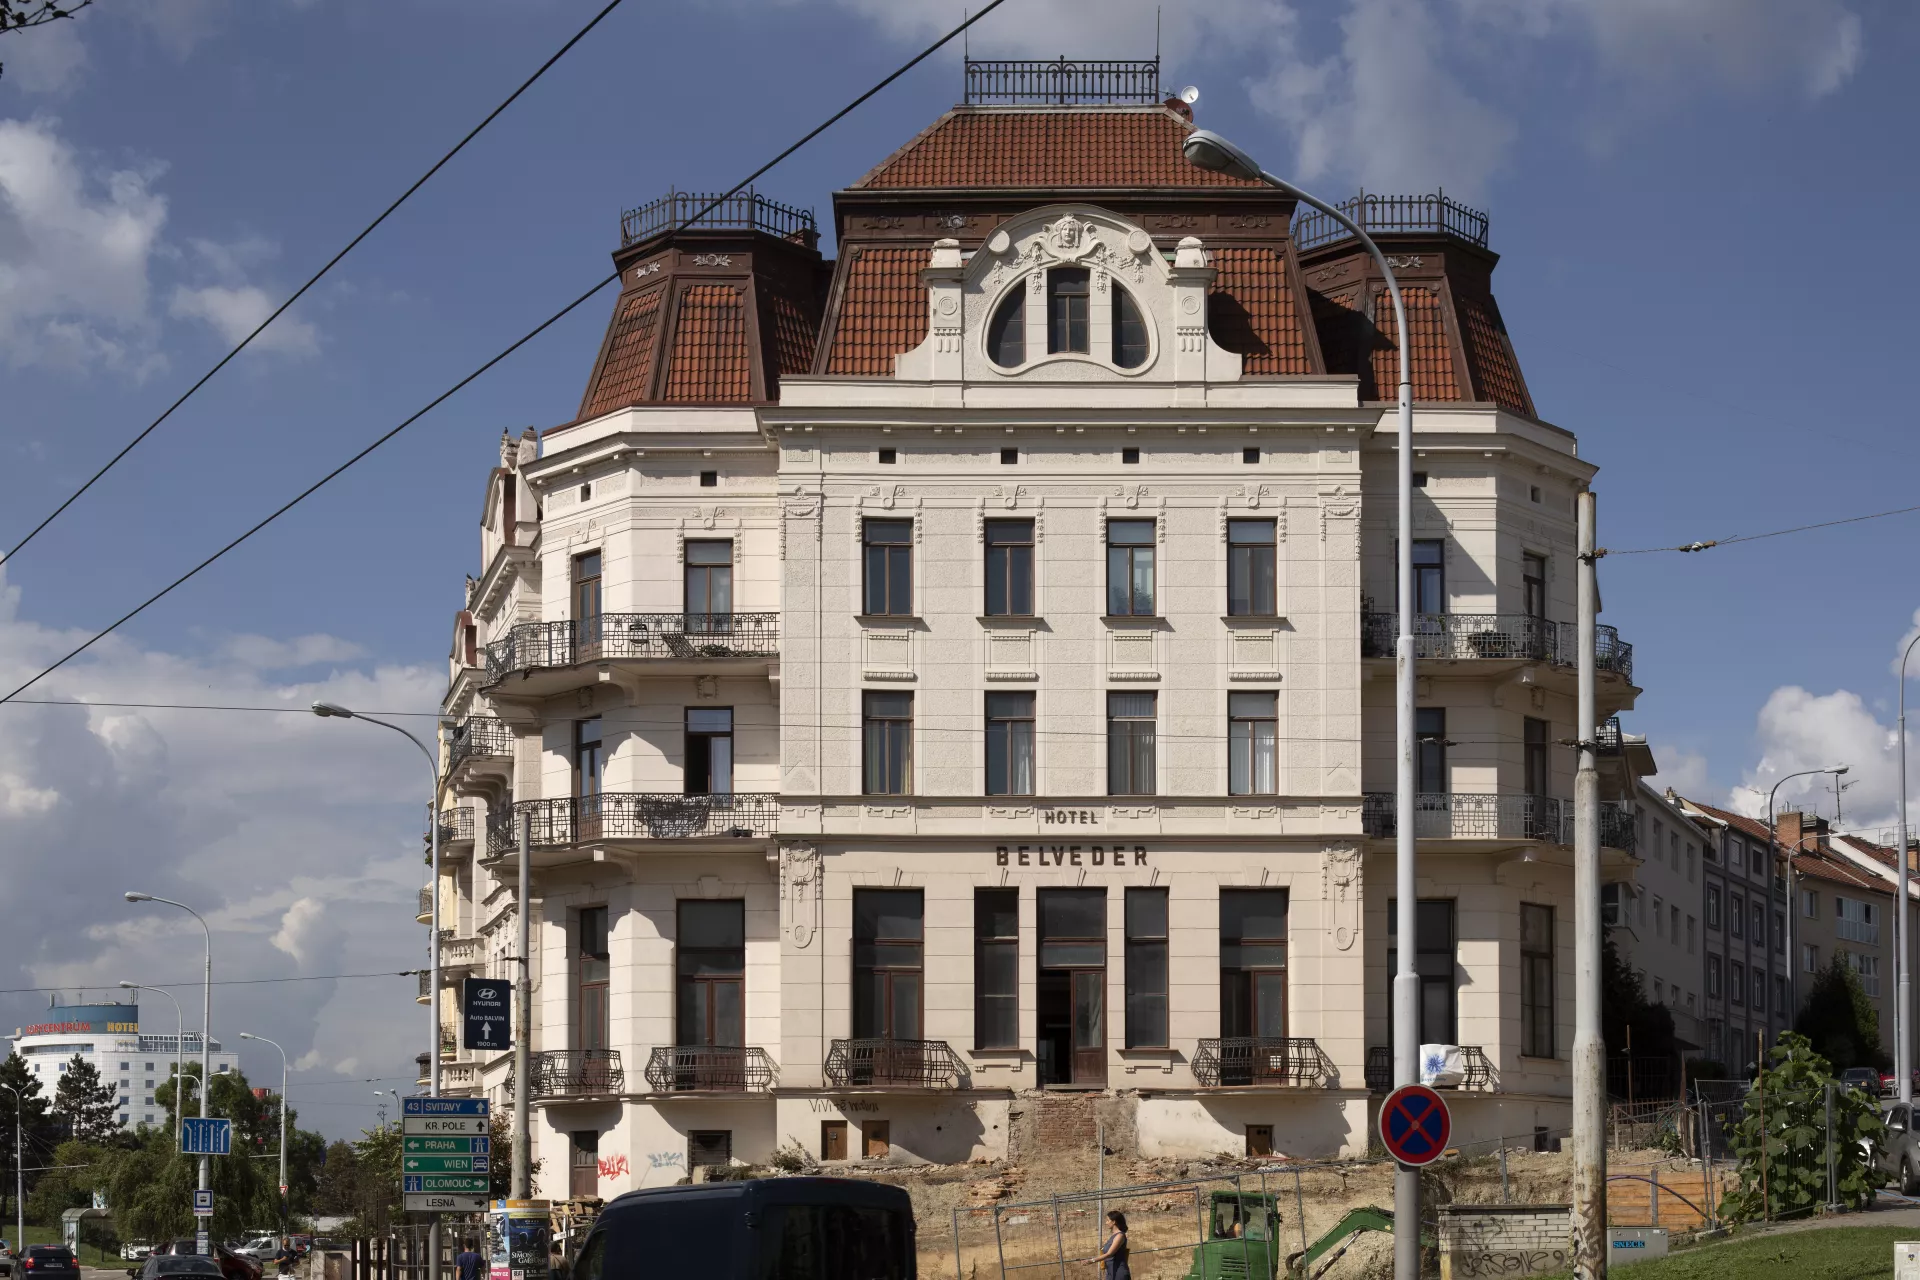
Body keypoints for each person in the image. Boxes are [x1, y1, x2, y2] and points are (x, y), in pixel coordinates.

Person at [1093, 1211, 1129, 1280]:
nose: (1106, 1223)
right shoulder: (1113, 1236)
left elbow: (1109, 1254)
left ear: (1114, 1222)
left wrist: (1092, 1260)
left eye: (1108, 1220)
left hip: (1118, 1273)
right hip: (1110, 1272)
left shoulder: (1120, 1236)